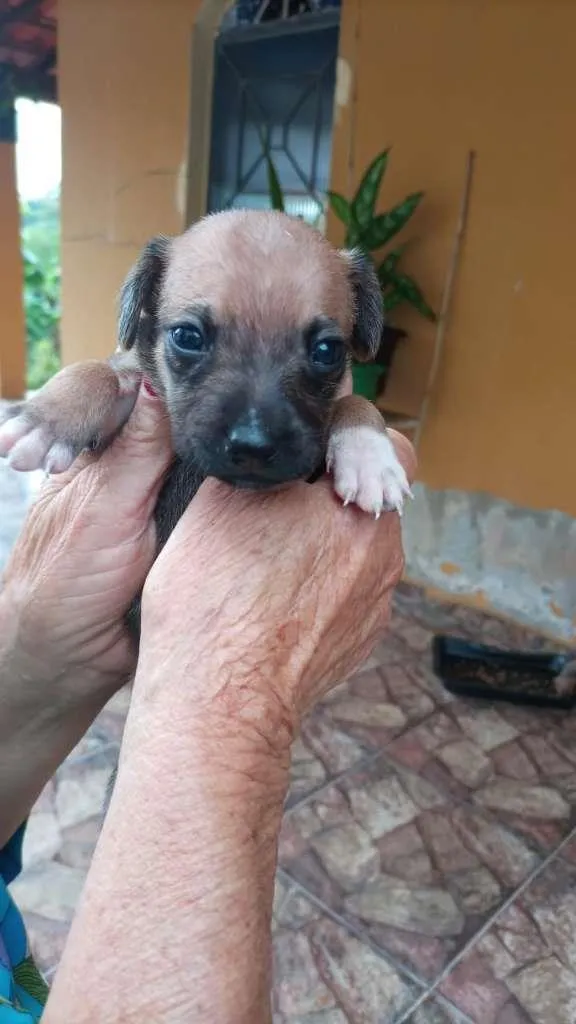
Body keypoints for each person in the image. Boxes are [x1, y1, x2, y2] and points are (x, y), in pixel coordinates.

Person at [0, 380, 415, 1023]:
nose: (256, 397)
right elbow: (116, 377)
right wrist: (229, 700)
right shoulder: (145, 373)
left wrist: (357, 425)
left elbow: (339, 405)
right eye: (193, 338)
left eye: (322, 349)